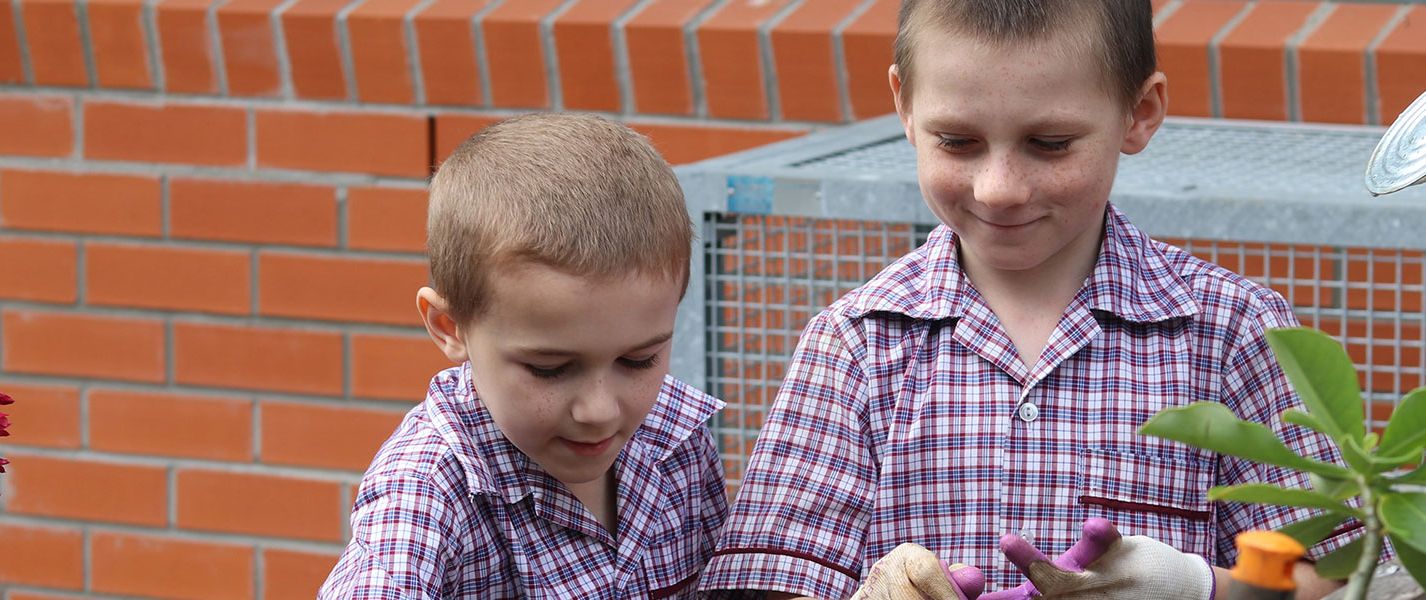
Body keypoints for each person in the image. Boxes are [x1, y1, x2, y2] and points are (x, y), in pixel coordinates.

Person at [696, 1, 1363, 599]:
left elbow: (1343, 574)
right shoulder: (857, 343)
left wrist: (1197, 588)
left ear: (1141, 112)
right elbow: (764, 586)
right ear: (904, 105)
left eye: (1049, 144)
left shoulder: (1229, 332)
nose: (999, 188)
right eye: (958, 141)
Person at [319, 113, 734, 598]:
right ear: (450, 328)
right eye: (550, 369)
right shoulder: (427, 489)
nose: (598, 410)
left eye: (639, 360)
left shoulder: (677, 441)